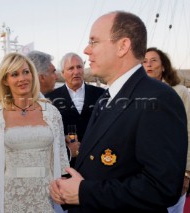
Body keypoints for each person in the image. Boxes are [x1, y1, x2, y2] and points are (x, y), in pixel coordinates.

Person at [49, 11, 188, 212]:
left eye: (94, 41)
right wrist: (69, 187)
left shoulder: (158, 99)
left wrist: (84, 192)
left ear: (123, 46)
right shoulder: (107, 97)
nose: (87, 50)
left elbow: (162, 188)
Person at [0, 52, 69, 212]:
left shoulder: (51, 113)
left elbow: (61, 157)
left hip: (47, 195)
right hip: (11, 197)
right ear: (5, 80)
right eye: (14, 74)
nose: (22, 78)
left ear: (33, 75)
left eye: (26, 72)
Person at [143, 47, 190, 213]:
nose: (148, 64)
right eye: (144, 61)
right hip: (142, 174)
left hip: (172, 171)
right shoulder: (137, 94)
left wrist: (187, 172)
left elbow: (189, 132)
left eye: (153, 60)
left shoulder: (180, 92)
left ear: (164, 66)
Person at [45, 52, 104, 167]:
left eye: (79, 67)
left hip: (97, 161)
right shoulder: (50, 99)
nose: (76, 72)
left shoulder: (101, 94)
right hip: (67, 164)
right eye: (71, 68)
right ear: (62, 73)